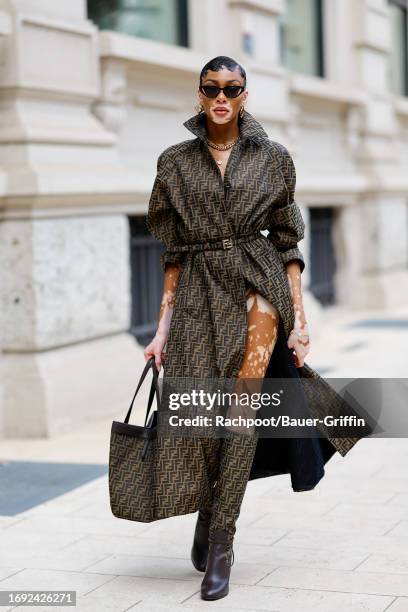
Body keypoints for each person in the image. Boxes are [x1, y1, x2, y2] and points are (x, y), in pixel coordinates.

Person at [143, 55, 312, 601]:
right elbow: (172, 250)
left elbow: (288, 244)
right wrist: (161, 329)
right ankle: (209, 507)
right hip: (196, 287)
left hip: (256, 282)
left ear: (244, 94)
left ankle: (222, 540)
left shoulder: (273, 158)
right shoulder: (174, 162)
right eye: (212, 88)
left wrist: (299, 323)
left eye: (232, 88)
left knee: (239, 410)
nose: (222, 97)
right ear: (198, 94)